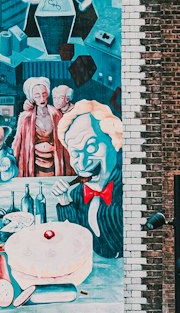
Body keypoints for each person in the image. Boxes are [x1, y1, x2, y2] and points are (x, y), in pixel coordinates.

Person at [49, 100, 124, 258]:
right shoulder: (77, 194)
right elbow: (74, 240)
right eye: (75, 153)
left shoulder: (127, 194)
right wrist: (64, 201)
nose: (82, 163)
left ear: (114, 141)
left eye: (91, 147)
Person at [12, 78, 66, 178]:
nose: (41, 98)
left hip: (54, 164)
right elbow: (17, 143)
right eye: (37, 95)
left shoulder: (57, 114)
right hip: (33, 165)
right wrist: (12, 164)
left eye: (44, 94)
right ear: (31, 97)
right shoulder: (25, 117)